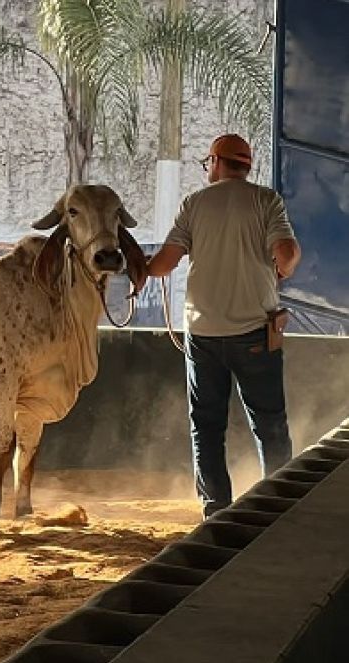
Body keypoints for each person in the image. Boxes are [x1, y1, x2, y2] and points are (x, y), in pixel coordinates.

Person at [147, 134, 302, 518]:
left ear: (216, 161)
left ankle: (215, 511)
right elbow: (286, 254)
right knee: (269, 424)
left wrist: (141, 268)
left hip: (203, 334)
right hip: (255, 333)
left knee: (206, 427)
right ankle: (277, 507)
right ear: (246, 166)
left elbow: (163, 265)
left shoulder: (194, 204)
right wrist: (281, 269)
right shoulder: (266, 201)